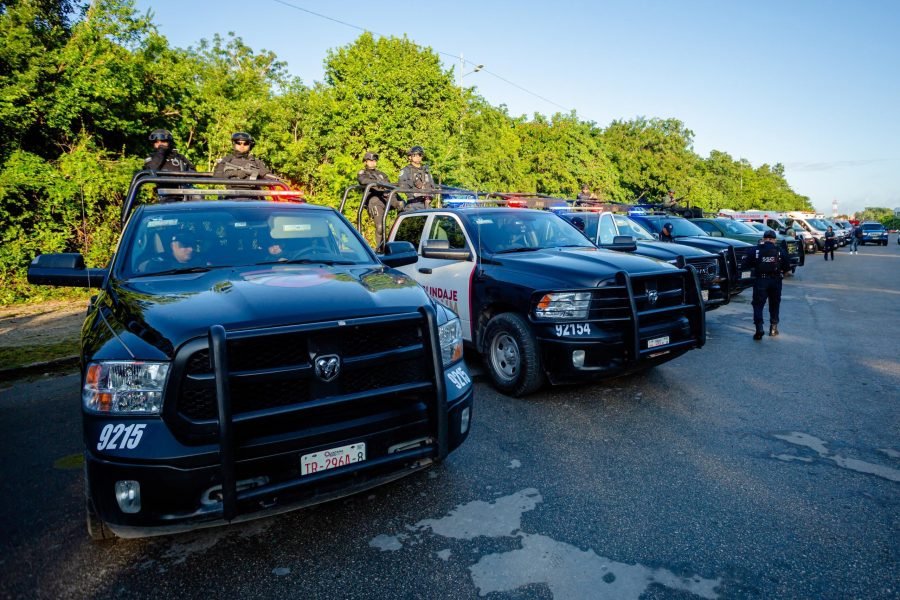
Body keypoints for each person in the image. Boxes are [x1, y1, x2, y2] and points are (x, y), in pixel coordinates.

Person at [748, 229, 790, 340]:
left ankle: (759, 329)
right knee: (774, 304)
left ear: (763, 239)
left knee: (758, 304)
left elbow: (746, 264)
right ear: (774, 240)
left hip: (760, 280)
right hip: (775, 280)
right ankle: (773, 328)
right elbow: (787, 267)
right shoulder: (780, 250)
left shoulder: (755, 250)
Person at [357, 151, 400, 250]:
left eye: (374, 160)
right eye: (370, 160)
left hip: (386, 198)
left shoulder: (381, 174)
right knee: (380, 227)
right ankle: (380, 250)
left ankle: (396, 243)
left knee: (403, 207)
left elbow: (388, 185)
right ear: (366, 162)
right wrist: (377, 183)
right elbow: (363, 181)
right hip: (374, 200)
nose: (372, 162)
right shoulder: (363, 173)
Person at [397, 145, 435, 212]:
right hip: (413, 204)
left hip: (427, 204)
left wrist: (430, 197)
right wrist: (416, 193)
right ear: (410, 157)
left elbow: (432, 186)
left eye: (420, 155)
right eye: (415, 155)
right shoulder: (406, 170)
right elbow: (402, 186)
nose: (418, 157)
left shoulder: (426, 171)